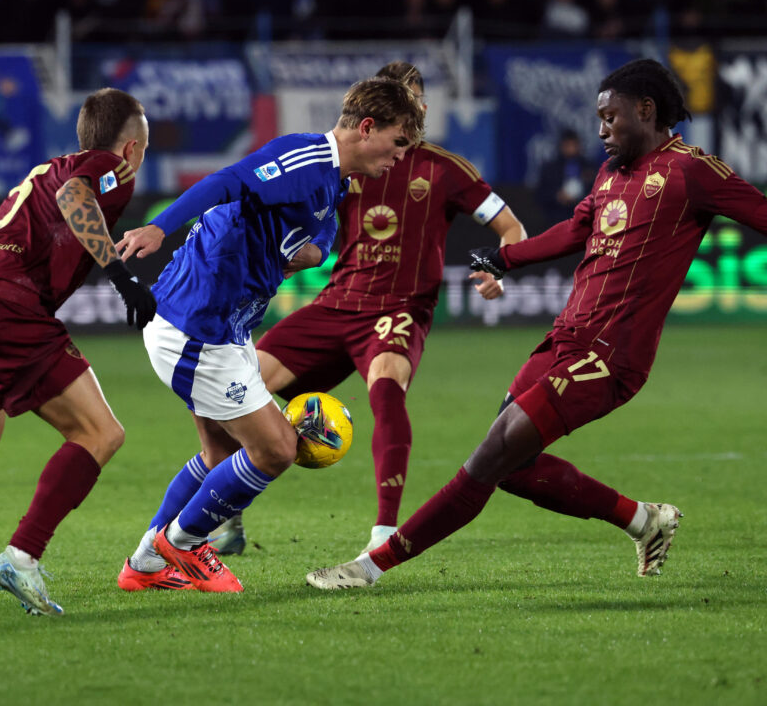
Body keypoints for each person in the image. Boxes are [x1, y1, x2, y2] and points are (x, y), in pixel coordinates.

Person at [305, 58, 767, 590]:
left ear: (646, 110)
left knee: (489, 457)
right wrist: (506, 258)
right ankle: (646, 520)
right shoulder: (612, 172)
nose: (601, 130)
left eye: (610, 118)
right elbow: (577, 230)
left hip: (609, 357)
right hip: (563, 339)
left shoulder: (692, 171)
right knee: (514, 469)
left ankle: (369, 567)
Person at [115, 76, 426, 592]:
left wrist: (306, 250)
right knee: (277, 449)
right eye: (397, 144)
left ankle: (143, 565)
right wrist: (159, 227)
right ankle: (183, 544)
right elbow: (227, 181)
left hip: (226, 330)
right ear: (367, 128)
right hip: (195, 326)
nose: (399, 158)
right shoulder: (305, 159)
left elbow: (319, 241)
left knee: (219, 457)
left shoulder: (334, 182)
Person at [206, 61, 524, 559]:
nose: (413, 109)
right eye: (401, 100)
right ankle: (222, 513)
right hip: (336, 304)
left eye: (417, 100)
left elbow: (510, 228)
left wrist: (495, 267)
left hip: (398, 309)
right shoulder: (345, 164)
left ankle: (383, 531)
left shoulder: (444, 169)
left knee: (386, 392)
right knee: (232, 386)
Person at [0, 88, 156, 615]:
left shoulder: (49, 167)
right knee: (101, 432)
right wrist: (121, 278)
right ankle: (21, 556)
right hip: (10, 308)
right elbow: (78, 197)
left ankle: (21, 556)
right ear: (133, 148)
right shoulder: (109, 168)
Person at [535, 129, 594, 226]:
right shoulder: (550, 169)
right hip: (556, 218)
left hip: (584, 219)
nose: (571, 149)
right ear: (561, 146)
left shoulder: (589, 168)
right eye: (567, 145)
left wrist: (581, 199)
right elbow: (540, 194)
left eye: (574, 145)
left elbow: (598, 193)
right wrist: (557, 196)